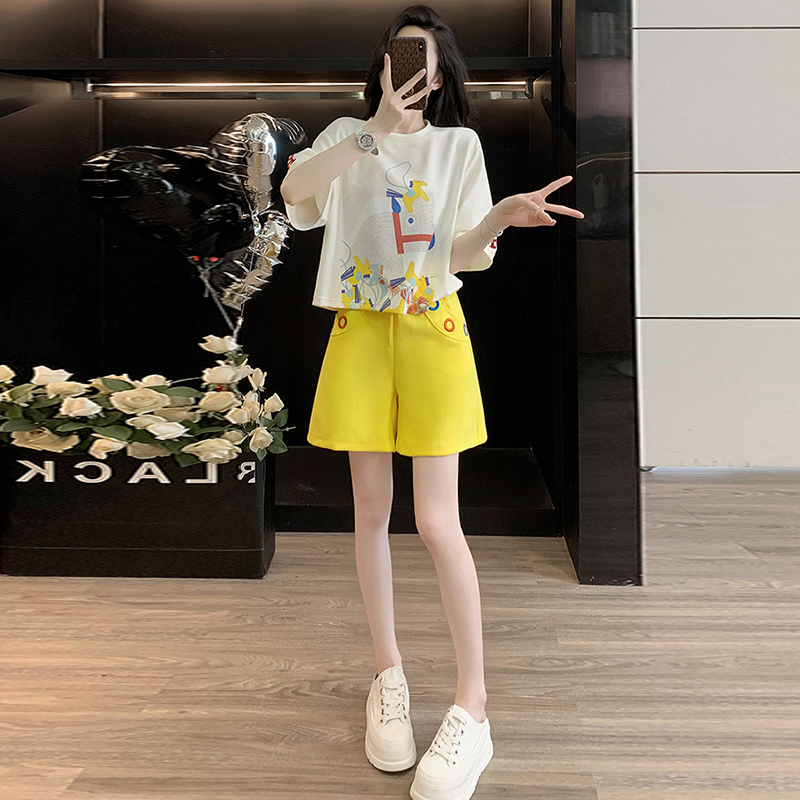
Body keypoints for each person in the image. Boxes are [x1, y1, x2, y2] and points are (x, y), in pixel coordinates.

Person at [280, 6, 584, 799]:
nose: (413, 68)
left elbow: (460, 253)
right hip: (358, 332)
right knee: (369, 512)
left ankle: (472, 706)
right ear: (381, 64)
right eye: (400, 54)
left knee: (437, 521)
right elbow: (295, 192)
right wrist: (373, 131)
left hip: (433, 329)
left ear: (443, 71)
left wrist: (498, 218)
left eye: (426, 57)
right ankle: (388, 676)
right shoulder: (346, 136)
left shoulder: (459, 146)